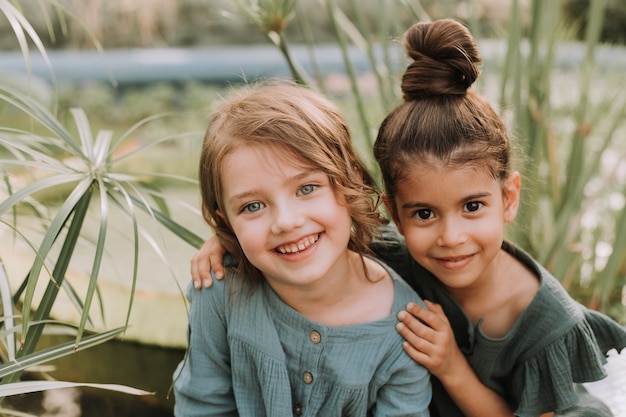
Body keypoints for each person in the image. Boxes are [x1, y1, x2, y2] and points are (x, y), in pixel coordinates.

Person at [190, 19, 626, 417]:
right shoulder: (388, 250)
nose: (451, 237)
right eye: (423, 213)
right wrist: (228, 237)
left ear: (508, 197)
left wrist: (452, 365)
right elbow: (308, 229)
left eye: (472, 206)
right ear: (395, 213)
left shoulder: (546, 323)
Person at [172, 81, 432, 416]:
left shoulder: (404, 327)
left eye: (307, 188)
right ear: (226, 223)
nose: (286, 221)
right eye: (252, 206)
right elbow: (202, 408)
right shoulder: (219, 293)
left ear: (349, 181)